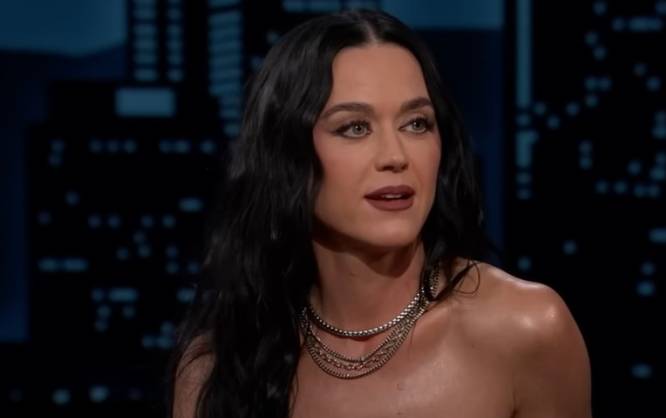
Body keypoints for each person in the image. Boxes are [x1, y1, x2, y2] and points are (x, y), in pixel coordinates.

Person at [168, 9, 591, 418]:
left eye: (416, 124)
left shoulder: (526, 329)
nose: (395, 156)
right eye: (355, 127)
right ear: (286, 156)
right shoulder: (219, 369)